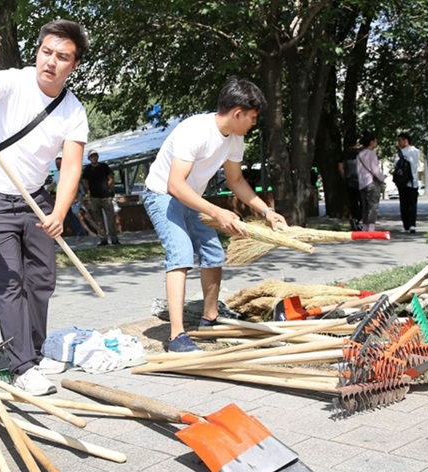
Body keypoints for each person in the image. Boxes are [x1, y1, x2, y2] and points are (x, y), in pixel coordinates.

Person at [0, 19, 89, 395]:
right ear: (37, 52)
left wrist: (59, 213)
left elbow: (71, 166)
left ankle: (31, 351)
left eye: (62, 57)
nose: (51, 61)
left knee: (42, 279)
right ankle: (22, 366)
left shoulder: (73, 111)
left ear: (74, 65)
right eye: (46, 52)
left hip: (34, 198)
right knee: (8, 281)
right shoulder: (14, 81)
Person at [142, 76, 287, 353]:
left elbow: (236, 181)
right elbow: (175, 185)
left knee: (213, 253)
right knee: (180, 253)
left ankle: (209, 320)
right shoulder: (194, 131)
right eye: (253, 117)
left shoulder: (235, 140)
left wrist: (267, 211)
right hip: (162, 194)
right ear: (238, 113)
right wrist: (218, 212)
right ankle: (176, 336)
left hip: (190, 197)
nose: (254, 123)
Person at [82, 150, 120, 246]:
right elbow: (85, 182)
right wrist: (90, 190)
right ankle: (103, 239)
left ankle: (114, 239)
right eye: (92, 156)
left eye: (95, 156)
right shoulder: (87, 169)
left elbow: (110, 177)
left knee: (111, 218)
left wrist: (109, 188)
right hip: (94, 197)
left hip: (106, 197)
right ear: (89, 158)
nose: (94, 158)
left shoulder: (104, 166)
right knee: (98, 220)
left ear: (98, 157)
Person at [356, 133, 385, 232]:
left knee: (364, 206)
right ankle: (371, 227)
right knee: (373, 206)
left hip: (362, 183)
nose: (376, 142)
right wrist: (382, 178)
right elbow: (375, 170)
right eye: (375, 141)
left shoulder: (359, 155)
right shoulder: (371, 154)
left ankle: (365, 226)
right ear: (371, 142)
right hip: (371, 183)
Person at [395, 132, 420, 234]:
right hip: (413, 181)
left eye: (400, 140)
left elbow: (396, 165)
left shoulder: (401, 152)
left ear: (406, 141)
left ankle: (406, 225)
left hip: (403, 182)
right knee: (412, 204)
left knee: (404, 204)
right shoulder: (416, 151)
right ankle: (412, 224)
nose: (398, 143)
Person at [338, 135, 362, 231]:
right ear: (356, 143)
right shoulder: (360, 153)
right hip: (361, 181)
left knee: (353, 202)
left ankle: (354, 219)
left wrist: (345, 177)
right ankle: (359, 219)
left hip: (350, 181)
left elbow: (340, 168)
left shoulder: (344, 154)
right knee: (362, 201)